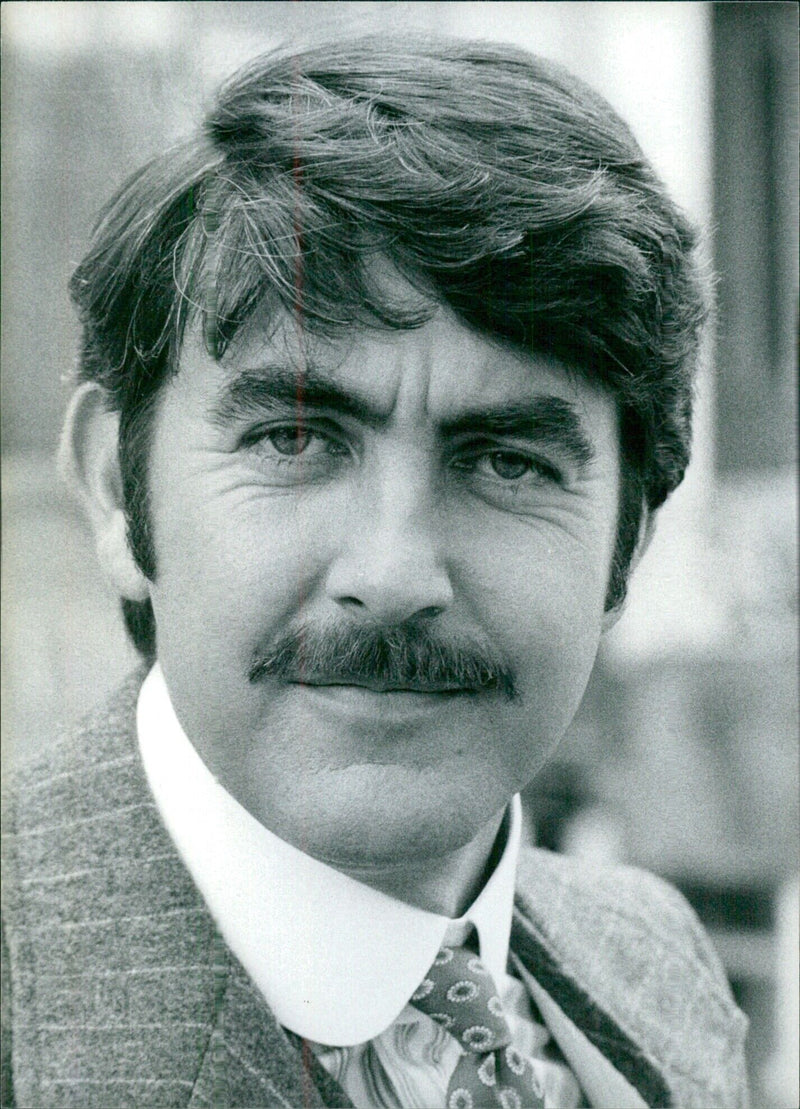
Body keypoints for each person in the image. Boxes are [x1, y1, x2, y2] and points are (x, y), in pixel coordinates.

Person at [1, 35, 748, 1109]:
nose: (395, 572)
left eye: (505, 459)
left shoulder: (653, 958)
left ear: (626, 539)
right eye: (294, 441)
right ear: (120, 493)